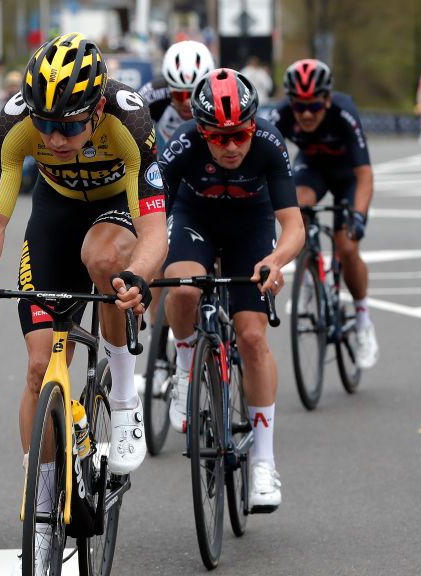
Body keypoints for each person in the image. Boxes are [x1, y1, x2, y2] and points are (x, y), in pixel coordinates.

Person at [0, 32, 167, 576]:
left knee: (104, 259)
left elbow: (155, 229)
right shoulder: (17, 123)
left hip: (116, 213)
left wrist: (139, 277)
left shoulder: (131, 121)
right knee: (38, 363)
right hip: (53, 214)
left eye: (69, 125)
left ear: (96, 109)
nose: (55, 136)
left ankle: (123, 396)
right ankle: (43, 505)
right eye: (46, 124)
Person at [160, 68, 303, 511]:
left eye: (239, 134)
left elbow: (294, 226)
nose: (231, 146)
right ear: (201, 130)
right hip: (194, 221)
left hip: (251, 229)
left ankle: (263, 459)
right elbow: (148, 220)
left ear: (252, 126)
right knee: (183, 290)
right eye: (218, 137)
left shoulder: (269, 143)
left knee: (254, 336)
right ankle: (185, 368)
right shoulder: (181, 146)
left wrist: (275, 261)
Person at [267, 59, 379, 370]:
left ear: (327, 100)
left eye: (314, 106)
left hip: (348, 177)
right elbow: (261, 155)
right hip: (312, 170)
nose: (305, 114)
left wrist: (358, 215)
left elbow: (365, 174)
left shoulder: (344, 112)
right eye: (299, 105)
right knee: (297, 209)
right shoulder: (282, 114)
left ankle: (362, 319)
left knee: (347, 247)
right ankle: (308, 276)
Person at [137, 40, 215, 147]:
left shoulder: (217, 97)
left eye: (193, 95)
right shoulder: (153, 92)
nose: (187, 102)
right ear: (169, 87)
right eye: (179, 94)